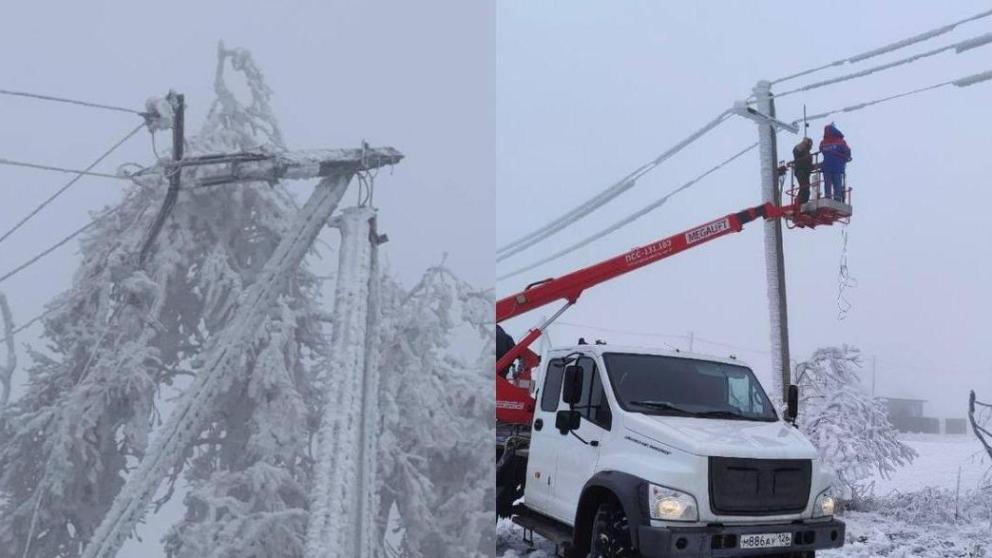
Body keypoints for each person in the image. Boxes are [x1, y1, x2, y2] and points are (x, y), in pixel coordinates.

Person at [819, 123, 852, 202]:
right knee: (837, 183)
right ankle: (837, 198)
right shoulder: (841, 142)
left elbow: (822, 150)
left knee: (827, 184)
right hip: (837, 166)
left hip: (827, 166)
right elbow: (847, 152)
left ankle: (828, 197)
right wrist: (843, 157)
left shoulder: (823, 142)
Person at [792, 137, 814, 204]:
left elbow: (809, 164)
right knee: (804, 187)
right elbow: (796, 150)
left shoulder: (808, 153)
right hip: (800, 170)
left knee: (806, 189)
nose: (810, 145)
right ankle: (799, 202)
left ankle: (804, 203)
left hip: (806, 172)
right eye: (809, 143)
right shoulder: (800, 149)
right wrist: (803, 143)